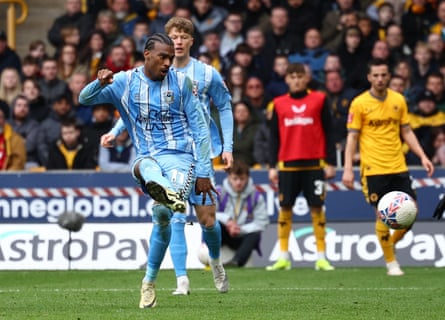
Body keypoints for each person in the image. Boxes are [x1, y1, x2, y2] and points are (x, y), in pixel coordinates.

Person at [79, 33, 228, 308]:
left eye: (171, 58)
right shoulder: (125, 82)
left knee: (199, 219)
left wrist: (206, 171)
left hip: (184, 160)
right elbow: (84, 98)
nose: (168, 63)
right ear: (147, 54)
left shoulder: (182, 84)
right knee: (144, 169)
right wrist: (98, 82)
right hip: (148, 158)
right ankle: (158, 280)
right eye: (163, 57)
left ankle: (213, 262)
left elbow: (200, 129)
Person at [342, 58, 435, 276]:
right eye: (375, 75)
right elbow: (352, 138)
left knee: (410, 214)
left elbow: (407, 131)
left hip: (398, 165)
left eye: (384, 74)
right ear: (369, 77)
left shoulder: (398, 100)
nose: (380, 79)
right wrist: (348, 168)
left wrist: (422, 155)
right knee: (382, 216)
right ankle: (391, 262)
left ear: (389, 76)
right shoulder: (359, 103)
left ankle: (389, 244)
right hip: (374, 168)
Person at [266, 62, 336, 272]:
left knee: (317, 207)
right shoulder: (278, 104)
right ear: (286, 79)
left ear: (306, 78)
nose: (296, 80)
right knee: (285, 207)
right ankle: (284, 257)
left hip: (315, 164)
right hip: (287, 164)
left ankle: (322, 257)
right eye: (292, 77)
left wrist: (331, 162)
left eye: (299, 76)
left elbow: (329, 132)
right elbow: (273, 138)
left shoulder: (320, 99)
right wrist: (272, 165)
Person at [216, 160, 269, 267]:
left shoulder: (256, 196)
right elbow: (208, 214)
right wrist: (228, 222)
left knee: (255, 234)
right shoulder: (219, 192)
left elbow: (262, 222)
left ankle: (237, 262)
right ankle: (211, 255)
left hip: (242, 237)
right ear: (229, 178)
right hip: (224, 236)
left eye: (242, 179)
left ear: (248, 178)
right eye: (235, 179)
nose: (238, 182)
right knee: (214, 225)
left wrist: (240, 229)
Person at [0, 101, 26, 171]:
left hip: (6, 178)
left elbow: (17, 165)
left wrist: (4, 176)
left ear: (5, 120)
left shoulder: (16, 140)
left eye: (0, 117)